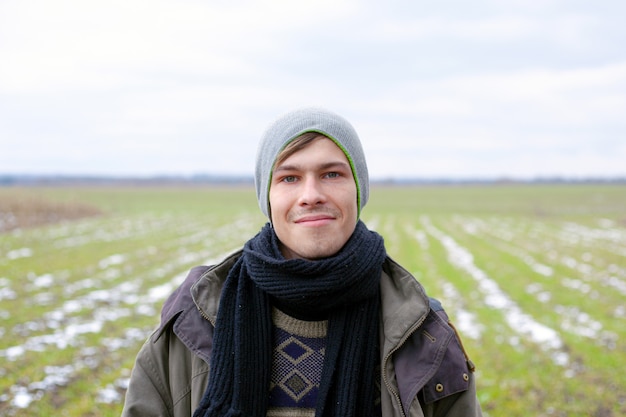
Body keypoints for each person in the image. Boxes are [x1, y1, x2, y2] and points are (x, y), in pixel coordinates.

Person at [121, 107, 483, 417]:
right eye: (289, 177)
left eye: (332, 174)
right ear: (268, 196)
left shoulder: (424, 334)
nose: (311, 195)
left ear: (358, 190)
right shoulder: (192, 323)